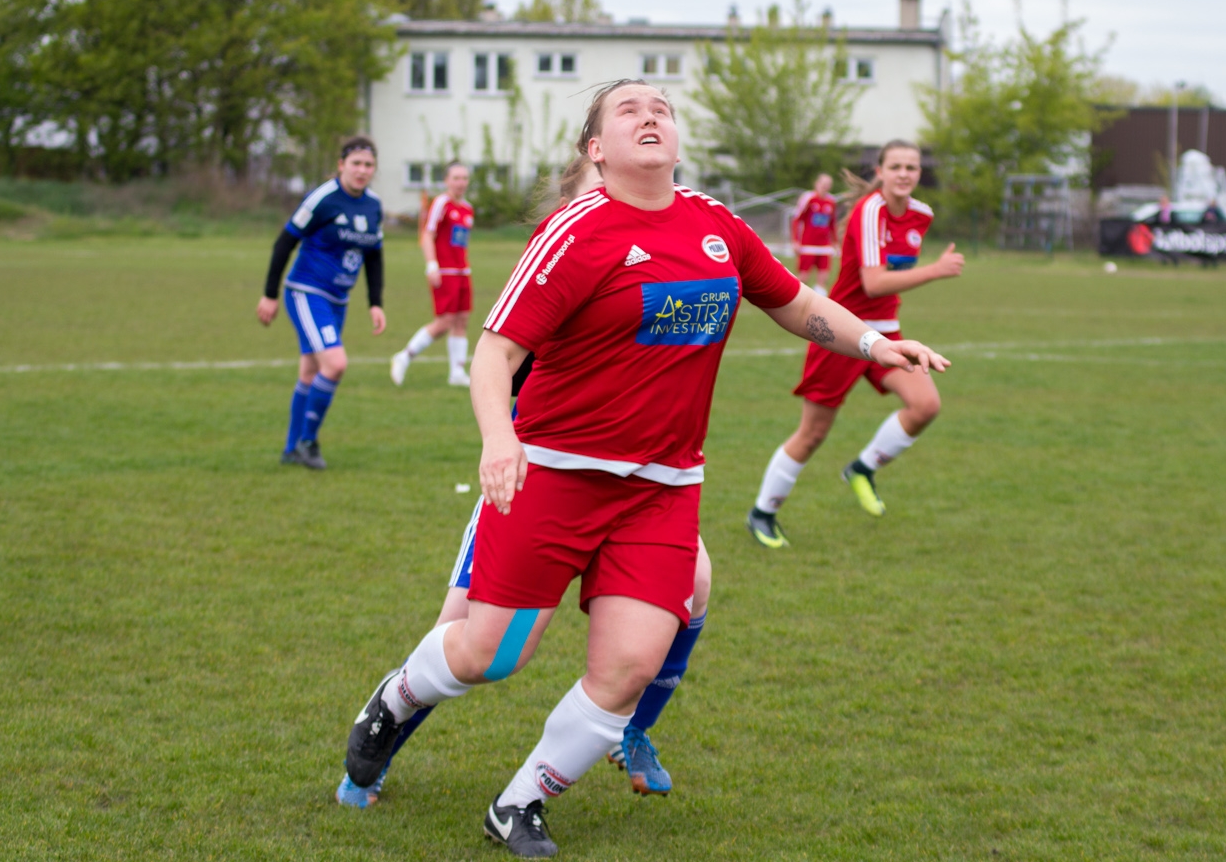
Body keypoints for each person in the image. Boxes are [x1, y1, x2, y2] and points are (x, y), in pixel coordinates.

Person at [339, 80, 948, 858]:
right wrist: (500, 440)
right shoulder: (575, 232)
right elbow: (495, 352)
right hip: (553, 476)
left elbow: (796, 301)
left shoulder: (716, 225)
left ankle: (519, 802)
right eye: (627, 110)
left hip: (662, 488)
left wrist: (872, 343)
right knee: (489, 653)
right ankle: (393, 702)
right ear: (596, 148)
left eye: (661, 107)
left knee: (628, 666)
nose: (650, 115)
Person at [338, 155, 712, 808]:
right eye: (600, 195)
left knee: (696, 582)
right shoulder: (556, 273)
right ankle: (377, 742)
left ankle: (634, 729)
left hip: (635, 492)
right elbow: (499, 376)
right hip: (541, 487)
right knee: (469, 639)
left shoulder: (651, 266)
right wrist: (505, 442)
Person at [748, 140, 964, 549]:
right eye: (895, 166)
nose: (904, 174)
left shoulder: (922, 215)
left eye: (912, 167)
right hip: (841, 334)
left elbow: (887, 283)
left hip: (888, 332)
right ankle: (763, 512)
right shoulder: (871, 210)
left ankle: (862, 469)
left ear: (919, 174)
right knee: (812, 433)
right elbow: (874, 282)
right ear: (879, 171)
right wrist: (935, 271)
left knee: (926, 405)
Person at [257, 137, 385, 470]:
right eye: (355, 163)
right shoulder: (323, 199)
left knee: (311, 371)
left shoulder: (373, 205)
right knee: (336, 363)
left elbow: (374, 256)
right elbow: (284, 243)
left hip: (338, 299)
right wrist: (269, 294)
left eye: (368, 165)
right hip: (306, 291)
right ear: (341, 164)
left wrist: (375, 302)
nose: (362, 170)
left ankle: (290, 450)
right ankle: (308, 442)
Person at [391, 162, 475, 387]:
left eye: (464, 178)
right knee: (444, 322)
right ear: (447, 180)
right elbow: (428, 235)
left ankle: (457, 372)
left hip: (462, 271)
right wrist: (431, 265)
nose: (461, 182)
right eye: (456, 178)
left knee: (462, 320)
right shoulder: (441, 203)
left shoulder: (467, 208)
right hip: (445, 271)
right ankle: (404, 356)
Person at [792, 173, 838, 295]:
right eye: (823, 184)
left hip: (824, 246)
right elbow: (797, 219)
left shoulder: (831, 201)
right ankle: (796, 301)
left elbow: (832, 224)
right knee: (803, 278)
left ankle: (819, 307)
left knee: (823, 279)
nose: (825, 187)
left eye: (828, 185)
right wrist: (796, 241)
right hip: (808, 245)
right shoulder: (808, 198)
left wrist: (835, 242)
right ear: (817, 184)